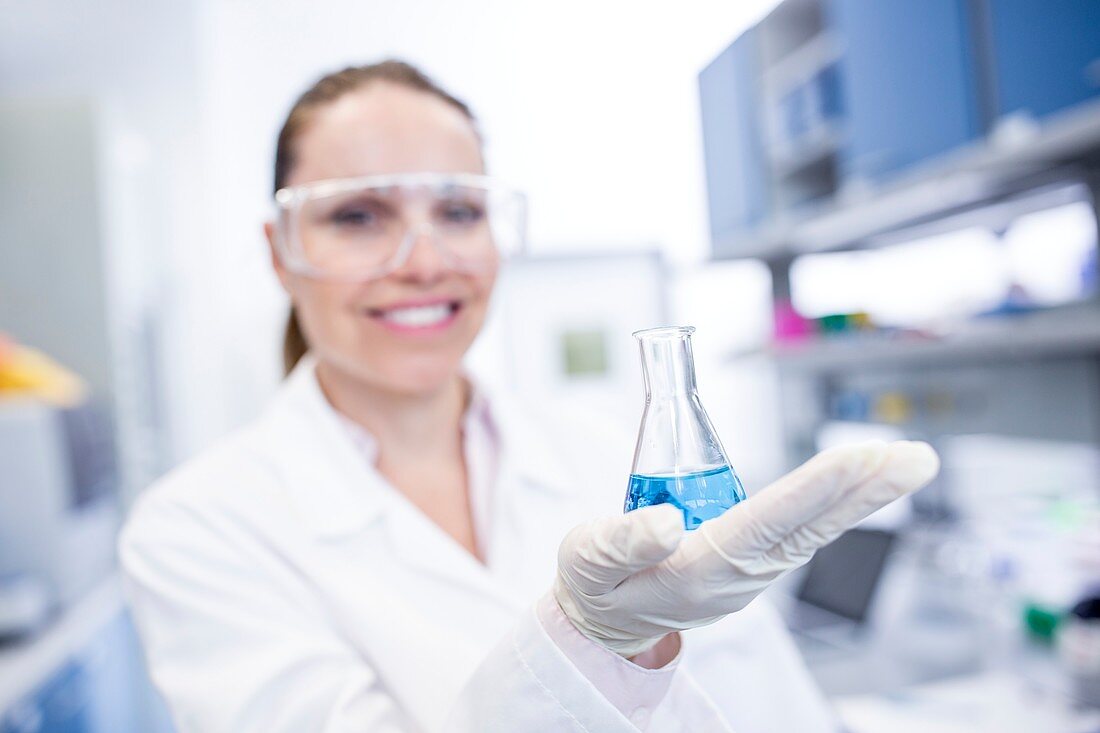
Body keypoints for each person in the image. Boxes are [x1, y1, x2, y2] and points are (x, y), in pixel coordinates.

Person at [119, 60, 940, 732]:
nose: (423, 259)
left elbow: (773, 712)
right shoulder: (198, 526)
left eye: (457, 209)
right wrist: (586, 644)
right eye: (360, 215)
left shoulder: (601, 451)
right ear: (281, 248)